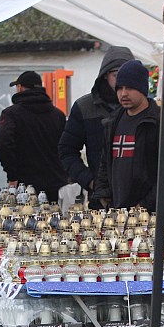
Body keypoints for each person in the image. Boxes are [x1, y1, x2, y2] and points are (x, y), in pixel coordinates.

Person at [91, 59, 164, 213]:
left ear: (142, 89)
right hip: (117, 214)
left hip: (151, 216)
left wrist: (146, 207)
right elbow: (105, 163)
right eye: (120, 88)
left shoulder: (160, 123)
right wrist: (104, 195)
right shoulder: (113, 121)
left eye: (130, 88)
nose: (123, 93)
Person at [58, 46, 134, 208]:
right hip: (101, 200)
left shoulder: (142, 108)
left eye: (128, 76)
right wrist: (90, 181)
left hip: (138, 200)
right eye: (117, 75)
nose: (122, 82)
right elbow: (67, 150)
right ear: (105, 75)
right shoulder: (84, 107)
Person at [0, 70, 69, 197]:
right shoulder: (58, 115)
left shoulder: (11, 114)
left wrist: (12, 175)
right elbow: (67, 147)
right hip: (57, 185)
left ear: (20, 87)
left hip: (25, 188)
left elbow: (4, 143)